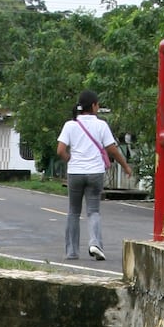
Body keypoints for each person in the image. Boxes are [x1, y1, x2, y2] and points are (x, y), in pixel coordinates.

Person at [56, 89, 132, 262]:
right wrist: (125, 166)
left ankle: (72, 252)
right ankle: (95, 244)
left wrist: (71, 160)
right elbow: (112, 149)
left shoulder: (70, 125)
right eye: (98, 105)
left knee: (73, 212)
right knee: (93, 211)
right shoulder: (101, 125)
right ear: (94, 105)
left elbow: (60, 150)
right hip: (95, 173)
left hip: (75, 173)